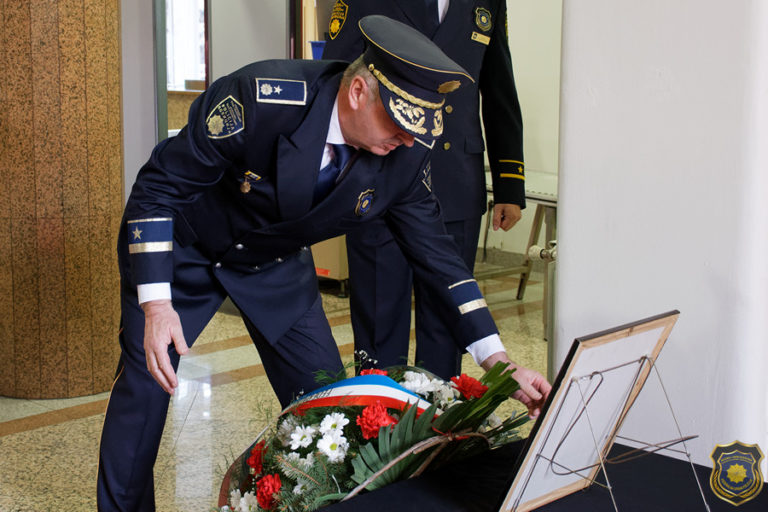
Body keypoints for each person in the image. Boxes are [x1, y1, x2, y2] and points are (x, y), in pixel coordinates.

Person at [98, 15, 549, 511]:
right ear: (358, 92)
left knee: (334, 414)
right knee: (145, 391)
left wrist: (499, 362)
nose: (406, 141)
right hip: (185, 249)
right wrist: (156, 306)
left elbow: (441, 261)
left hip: (274, 262)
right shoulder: (259, 98)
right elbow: (158, 188)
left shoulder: (404, 153)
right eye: (399, 124)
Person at [323, 0, 526, 379]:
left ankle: (439, 411)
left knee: (448, 319)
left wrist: (509, 184)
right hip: (380, 176)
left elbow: (499, 87)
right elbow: (337, 75)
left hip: (456, 178)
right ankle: (381, 410)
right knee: (380, 317)